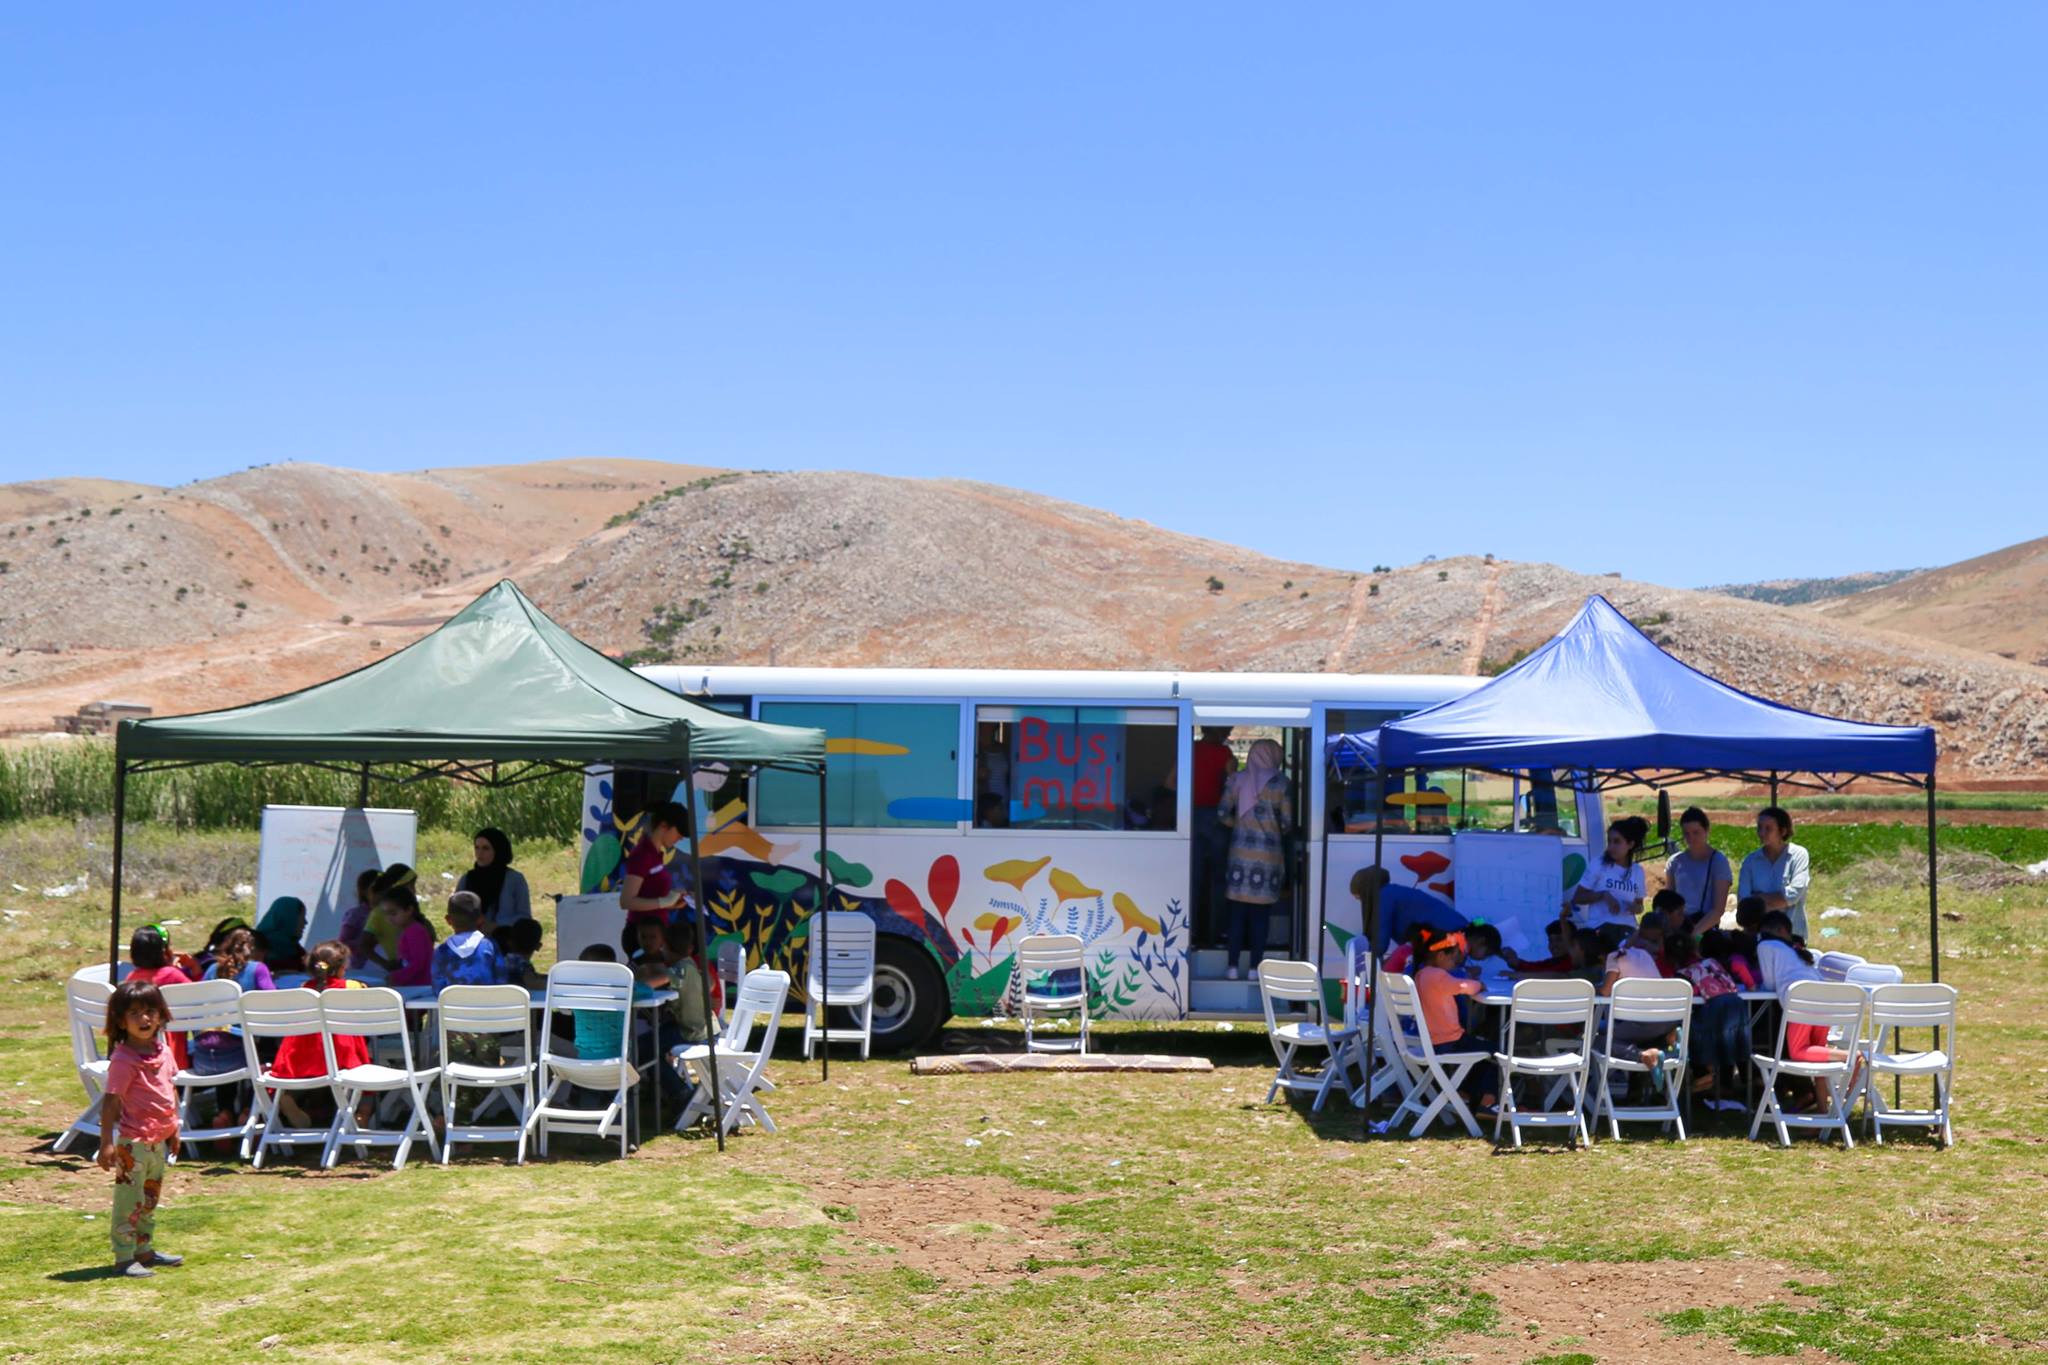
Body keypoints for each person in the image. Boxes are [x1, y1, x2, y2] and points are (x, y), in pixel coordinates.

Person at [97, 979, 183, 1278]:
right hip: (133, 1143)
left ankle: (144, 1250)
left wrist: (175, 1129)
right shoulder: (123, 1059)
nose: (144, 1019)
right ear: (120, 1020)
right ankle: (123, 1255)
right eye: (134, 1013)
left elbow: (170, 1091)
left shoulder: (164, 1051)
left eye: (150, 1011)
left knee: (150, 1197)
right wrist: (106, 1143)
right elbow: (110, 1102)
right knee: (128, 1201)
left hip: (159, 1140)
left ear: (161, 1014)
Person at [269, 941, 369, 1129]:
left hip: (304, 1055)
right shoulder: (351, 986)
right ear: (341, 967)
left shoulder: (305, 988)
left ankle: (289, 1098)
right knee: (364, 1072)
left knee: (305, 1074)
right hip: (341, 1055)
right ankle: (361, 1113)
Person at [1219, 738, 1292, 980]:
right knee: (1260, 917)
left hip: (1239, 857)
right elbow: (1287, 822)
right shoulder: (1281, 784)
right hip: (1268, 860)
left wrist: (1239, 826)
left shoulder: (1237, 780)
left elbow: (1222, 814)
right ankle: (1254, 968)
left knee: (1237, 915)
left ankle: (1231, 967)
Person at [1409, 927, 1497, 1116]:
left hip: (1434, 1042)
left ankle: (1464, 1094)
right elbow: (1465, 987)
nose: (1455, 963)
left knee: (1479, 1052)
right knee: (1493, 1051)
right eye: (1454, 957)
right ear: (1441, 955)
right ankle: (1488, 1101)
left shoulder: (1421, 974)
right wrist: (1480, 984)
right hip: (1449, 1042)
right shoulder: (1437, 976)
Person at [1681, 928, 1752, 1108]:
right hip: (1738, 1005)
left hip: (1717, 1007)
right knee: (1734, 1044)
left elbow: (1695, 992)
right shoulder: (1714, 963)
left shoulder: (1688, 972)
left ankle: (1704, 1073)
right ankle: (1735, 1085)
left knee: (1693, 1033)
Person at [1599, 916, 1674, 1068]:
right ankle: (1668, 1042)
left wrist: (1593, 987)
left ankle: (1643, 1056)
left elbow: (1605, 991)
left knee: (1597, 1041)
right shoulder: (1644, 954)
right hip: (1668, 1018)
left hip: (1645, 1022)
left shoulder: (1614, 957)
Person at [1355, 865, 1467, 957]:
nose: (1361, 903)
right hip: (1454, 931)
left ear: (1366, 892)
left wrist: (1367, 961)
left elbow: (1381, 939)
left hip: (1446, 934)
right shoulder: (1391, 891)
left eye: (1360, 898)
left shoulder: (1384, 897)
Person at [1189, 726, 1237, 941]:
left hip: (1189, 817)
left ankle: (1191, 932)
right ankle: (1216, 933)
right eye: (1226, 731)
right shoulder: (1224, 754)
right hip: (1216, 817)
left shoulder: (1189, 748)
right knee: (1219, 879)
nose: (1227, 735)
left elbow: (1170, 782)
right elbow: (1234, 784)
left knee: (1194, 878)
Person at [619, 801, 693, 934]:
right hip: (641, 935)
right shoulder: (643, 854)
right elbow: (626, 901)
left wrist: (671, 902)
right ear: (664, 826)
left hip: (654, 932)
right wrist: (664, 902)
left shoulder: (656, 854)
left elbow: (649, 895)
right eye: (679, 833)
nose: (680, 838)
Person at [1739, 807, 1812, 941]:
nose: (1762, 832)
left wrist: (1758, 898)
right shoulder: (1750, 862)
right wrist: (1780, 900)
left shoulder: (1798, 855)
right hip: (1758, 936)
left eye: (1768, 828)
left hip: (1792, 935)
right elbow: (1744, 903)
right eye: (1759, 827)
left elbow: (1794, 894)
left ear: (1782, 831)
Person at [125, 926, 192, 1071]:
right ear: (164, 952)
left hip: (140, 1053)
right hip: (174, 1054)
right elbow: (197, 997)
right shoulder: (173, 975)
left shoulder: (131, 979)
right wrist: (196, 970)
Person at [1569, 817, 1648, 931]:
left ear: (1630, 844)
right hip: (1599, 928)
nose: (1611, 847)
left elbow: (1640, 905)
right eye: (1609, 841)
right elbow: (1578, 898)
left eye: (1617, 842)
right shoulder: (1599, 864)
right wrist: (1603, 895)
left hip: (1627, 929)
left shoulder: (1638, 871)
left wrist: (1635, 908)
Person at [1664, 806, 1733, 930]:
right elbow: (1668, 902)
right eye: (1686, 833)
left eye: (1696, 832)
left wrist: (1694, 935)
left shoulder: (1718, 861)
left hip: (1705, 926)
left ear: (1707, 831)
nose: (1691, 838)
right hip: (1678, 926)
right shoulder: (1675, 862)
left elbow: (1717, 910)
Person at [458, 827, 532, 930]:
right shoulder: (467, 879)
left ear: (498, 850)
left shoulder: (514, 880)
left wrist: (497, 925)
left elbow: (525, 917)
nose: (479, 853)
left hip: (505, 940)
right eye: (477, 847)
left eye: (486, 848)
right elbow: (457, 913)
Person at [431, 891, 506, 989]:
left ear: (448, 920)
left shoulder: (441, 952)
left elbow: (438, 987)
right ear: (481, 919)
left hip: (453, 1004)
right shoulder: (489, 947)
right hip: (486, 1003)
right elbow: (502, 980)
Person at [376, 874, 436, 988]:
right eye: (386, 914)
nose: (389, 918)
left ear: (409, 910)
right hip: (415, 985)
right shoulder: (410, 930)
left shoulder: (415, 932)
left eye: (393, 913)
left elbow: (417, 964)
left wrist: (396, 977)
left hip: (420, 988)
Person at [361, 865, 415, 973]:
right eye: (411, 886)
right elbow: (364, 945)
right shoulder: (378, 914)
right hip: (398, 972)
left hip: (416, 969)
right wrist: (385, 963)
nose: (414, 890)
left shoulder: (411, 909)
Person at [252, 896, 307, 976]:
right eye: (302, 917)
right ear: (289, 918)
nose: (305, 922)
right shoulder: (256, 945)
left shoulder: (297, 950)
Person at [337, 868, 380, 970]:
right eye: (377, 889)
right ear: (365, 891)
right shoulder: (355, 915)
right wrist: (367, 942)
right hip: (359, 968)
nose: (382, 893)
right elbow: (343, 943)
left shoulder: (391, 915)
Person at [1458, 923, 1517, 993]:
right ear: (1481, 941)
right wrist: (1465, 971)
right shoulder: (1457, 953)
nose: (1484, 958)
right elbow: (1448, 973)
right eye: (1487, 953)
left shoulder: (1464, 953)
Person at [494, 918, 546, 990]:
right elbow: (533, 983)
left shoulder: (500, 961)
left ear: (510, 942)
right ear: (538, 946)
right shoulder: (519, 963)